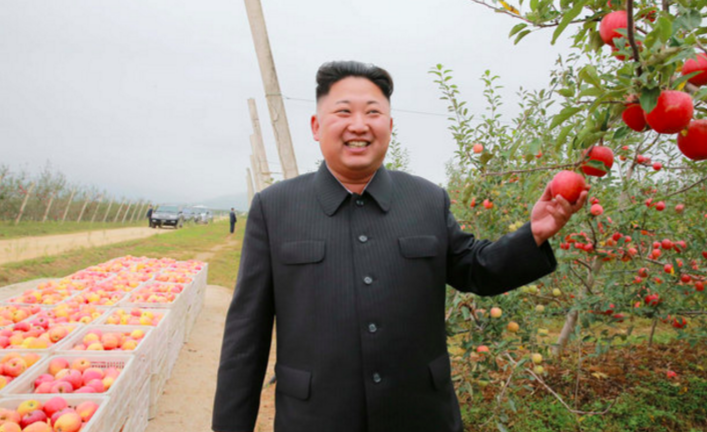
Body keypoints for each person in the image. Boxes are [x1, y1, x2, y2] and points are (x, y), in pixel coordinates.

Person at [212, 61, 587, 432]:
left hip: (421, 416)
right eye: (343, 112)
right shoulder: (275, 208)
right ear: (316, 126)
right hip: (313, 419)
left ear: (389, 126)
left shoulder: (426, 200)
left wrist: (535, 233)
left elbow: (478, 268)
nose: (359, 125)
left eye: (373, 112)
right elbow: (247, 333)